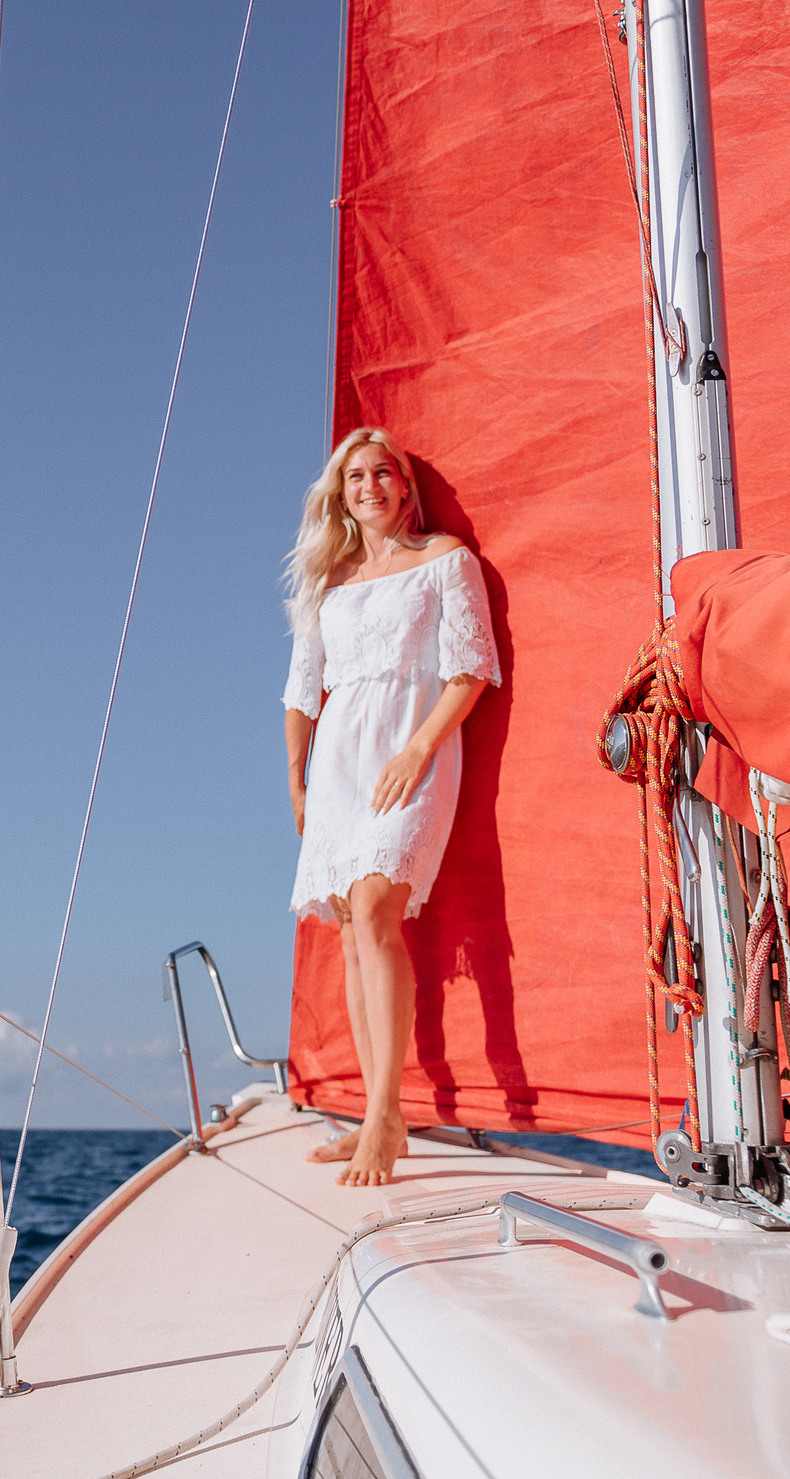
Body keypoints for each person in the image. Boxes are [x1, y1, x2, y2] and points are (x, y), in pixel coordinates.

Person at [282, 427, 499, 1186]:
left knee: (376, 910)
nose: (369, 484)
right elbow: (302, 692)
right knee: (350, 926)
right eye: (354, 477)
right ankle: (387, 1116)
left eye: (383, 472)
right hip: (339, 760)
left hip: (413, 749)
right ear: (340, 497)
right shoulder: (328, 583)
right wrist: (298, 782)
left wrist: (418, 749)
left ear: (404, 487)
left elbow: (471, 669)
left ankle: (380, 1115)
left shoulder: (444, 560)